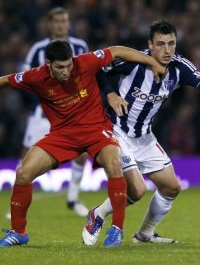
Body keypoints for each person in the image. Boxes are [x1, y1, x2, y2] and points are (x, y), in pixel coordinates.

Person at [0, 40, 165, 248]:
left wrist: (153, 63)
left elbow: (116, 51)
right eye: (60, 67)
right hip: (63, 135)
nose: (66, 71)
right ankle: (18, 232)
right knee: (23, 173)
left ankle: (116, 229)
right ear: (48, 65)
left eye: (69, 65)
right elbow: (6, 80)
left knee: (114, 165)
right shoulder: (35, 76)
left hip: (96, 129)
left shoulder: (84, 62)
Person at [82, 20, 200, 245]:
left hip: (145, 136)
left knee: (172, 187)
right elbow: (96, 68)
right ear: (150, 44)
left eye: (171, 44)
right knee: (136, 190)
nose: (166, 50)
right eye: (161, 44)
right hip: (117, 131)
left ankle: (144, 234)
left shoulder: (180, 68)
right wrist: (110, 94)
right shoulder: (132, 61)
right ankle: (97, 213)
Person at [6, 7, 89, 219]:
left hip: (73, 112)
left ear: (68, 23)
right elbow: (26, 78)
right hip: (42, 112)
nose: (61, 25)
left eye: (64, 21)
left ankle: (73, 198)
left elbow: (87, 76)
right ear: (49, 24)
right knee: (26, 156)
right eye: (57, 21)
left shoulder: (80, 46)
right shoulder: (38, 49)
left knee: (82, 153)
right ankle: (14, 203)